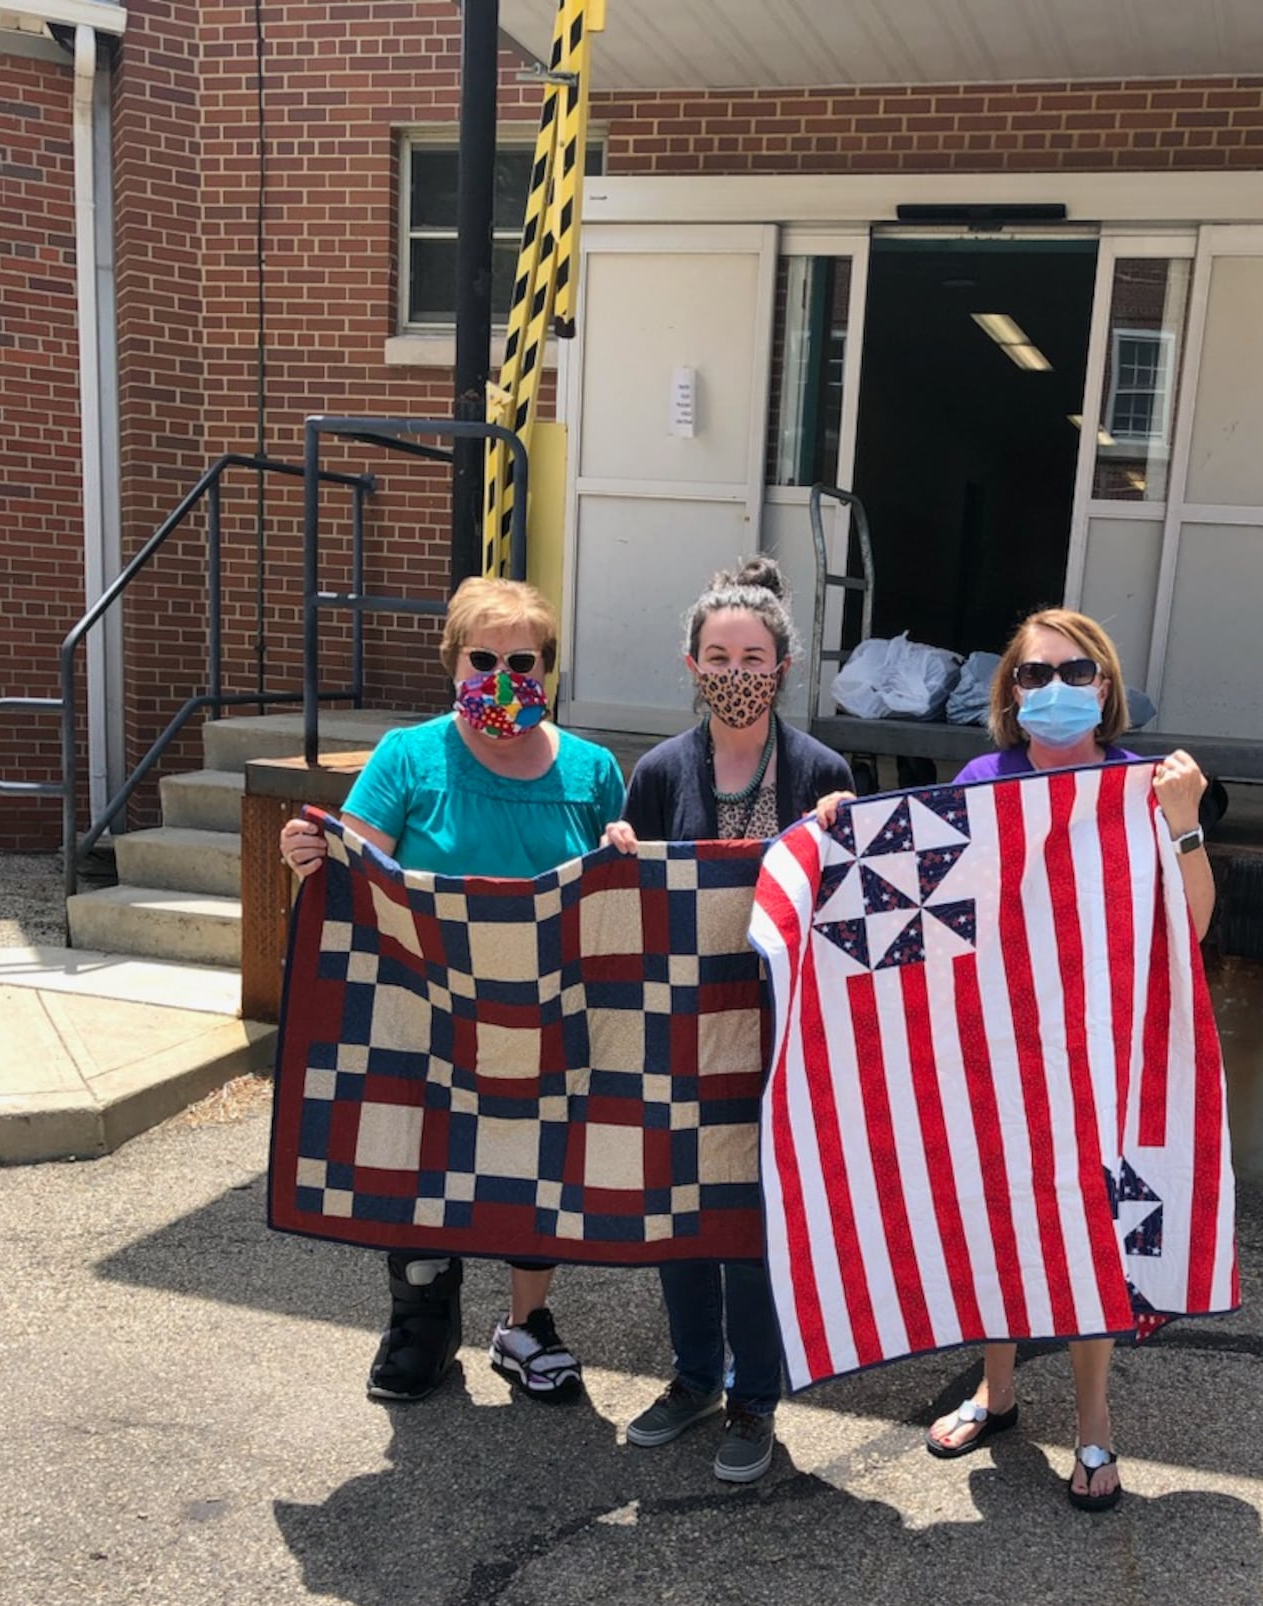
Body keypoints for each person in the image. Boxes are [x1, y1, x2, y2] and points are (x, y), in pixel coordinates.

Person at [279, 576, 626, 1406]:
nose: (502, 675)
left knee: (540, 1165)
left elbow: (621, 891)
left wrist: (625, 848)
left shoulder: (593, 768)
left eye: (523, 659)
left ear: (547, 668)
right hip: (425, 1006)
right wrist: (307, 853)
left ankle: (525, 1325)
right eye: (483, 657)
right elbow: (350, 870)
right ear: (452, 660)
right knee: (421, 1154)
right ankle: (422, 1321)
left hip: (547, 1009)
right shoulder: (408, 755)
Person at [924, 606, 1214, 1510]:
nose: (1054, 689)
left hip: (1102, 1048)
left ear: (1106, 687)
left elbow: (1193, 925)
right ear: (1011, 690)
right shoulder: (981, 778)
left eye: (1074, 672)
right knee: (1002, 1214)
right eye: (1034, 673)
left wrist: (1187, 822)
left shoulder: (1145, 787)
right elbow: (929, 906)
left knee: (1094, 1229)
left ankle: (1094, 1425)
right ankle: (997, 1389)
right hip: (998, 1043)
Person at [603, 557, 854, 1483]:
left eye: (752, 654)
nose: (734, 669)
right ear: (691, 664)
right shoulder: (661, 769)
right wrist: (621, 852)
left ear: (783, 667)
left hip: (780, 1029)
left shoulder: (822, 768)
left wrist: (845, 828)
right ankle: (694, 1375)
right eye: (718, 654)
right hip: (682, 1026)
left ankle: (757, 1391)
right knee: (681, 1212)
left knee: (751, 1220)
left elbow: (844, 905)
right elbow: (625, 904)